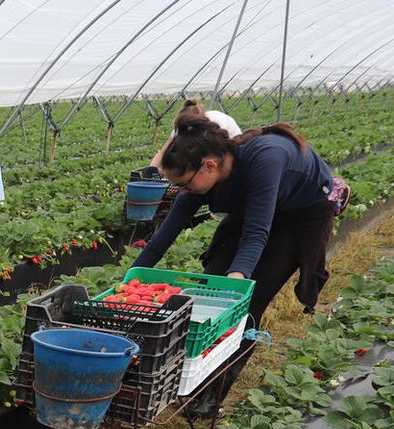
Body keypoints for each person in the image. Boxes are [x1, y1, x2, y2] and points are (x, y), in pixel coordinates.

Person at [134, 101, 341, 412]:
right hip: (258, 207)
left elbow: (257, 233)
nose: (180, 190)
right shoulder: (199, 179)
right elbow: (167, 231)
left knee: (246, 303)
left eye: (182, 184)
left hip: (300, 214)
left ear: (209, 166)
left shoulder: (265, 158)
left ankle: (210, 396)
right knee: (210, 286)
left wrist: (237, 283)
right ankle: (193, 373)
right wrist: (132, 277)